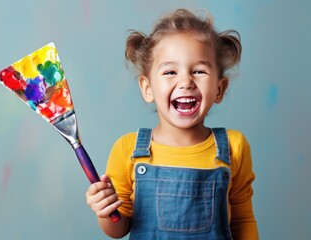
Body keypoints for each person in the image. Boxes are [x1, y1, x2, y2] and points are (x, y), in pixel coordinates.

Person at [85, 9, 259, 239]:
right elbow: (118, 230)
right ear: (147, 88)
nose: (185, 81)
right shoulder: (127, 150)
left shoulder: (235, 147)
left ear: (219, 88)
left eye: (198, 71)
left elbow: (243, 220)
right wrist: (106, 211)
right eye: (170, 72)